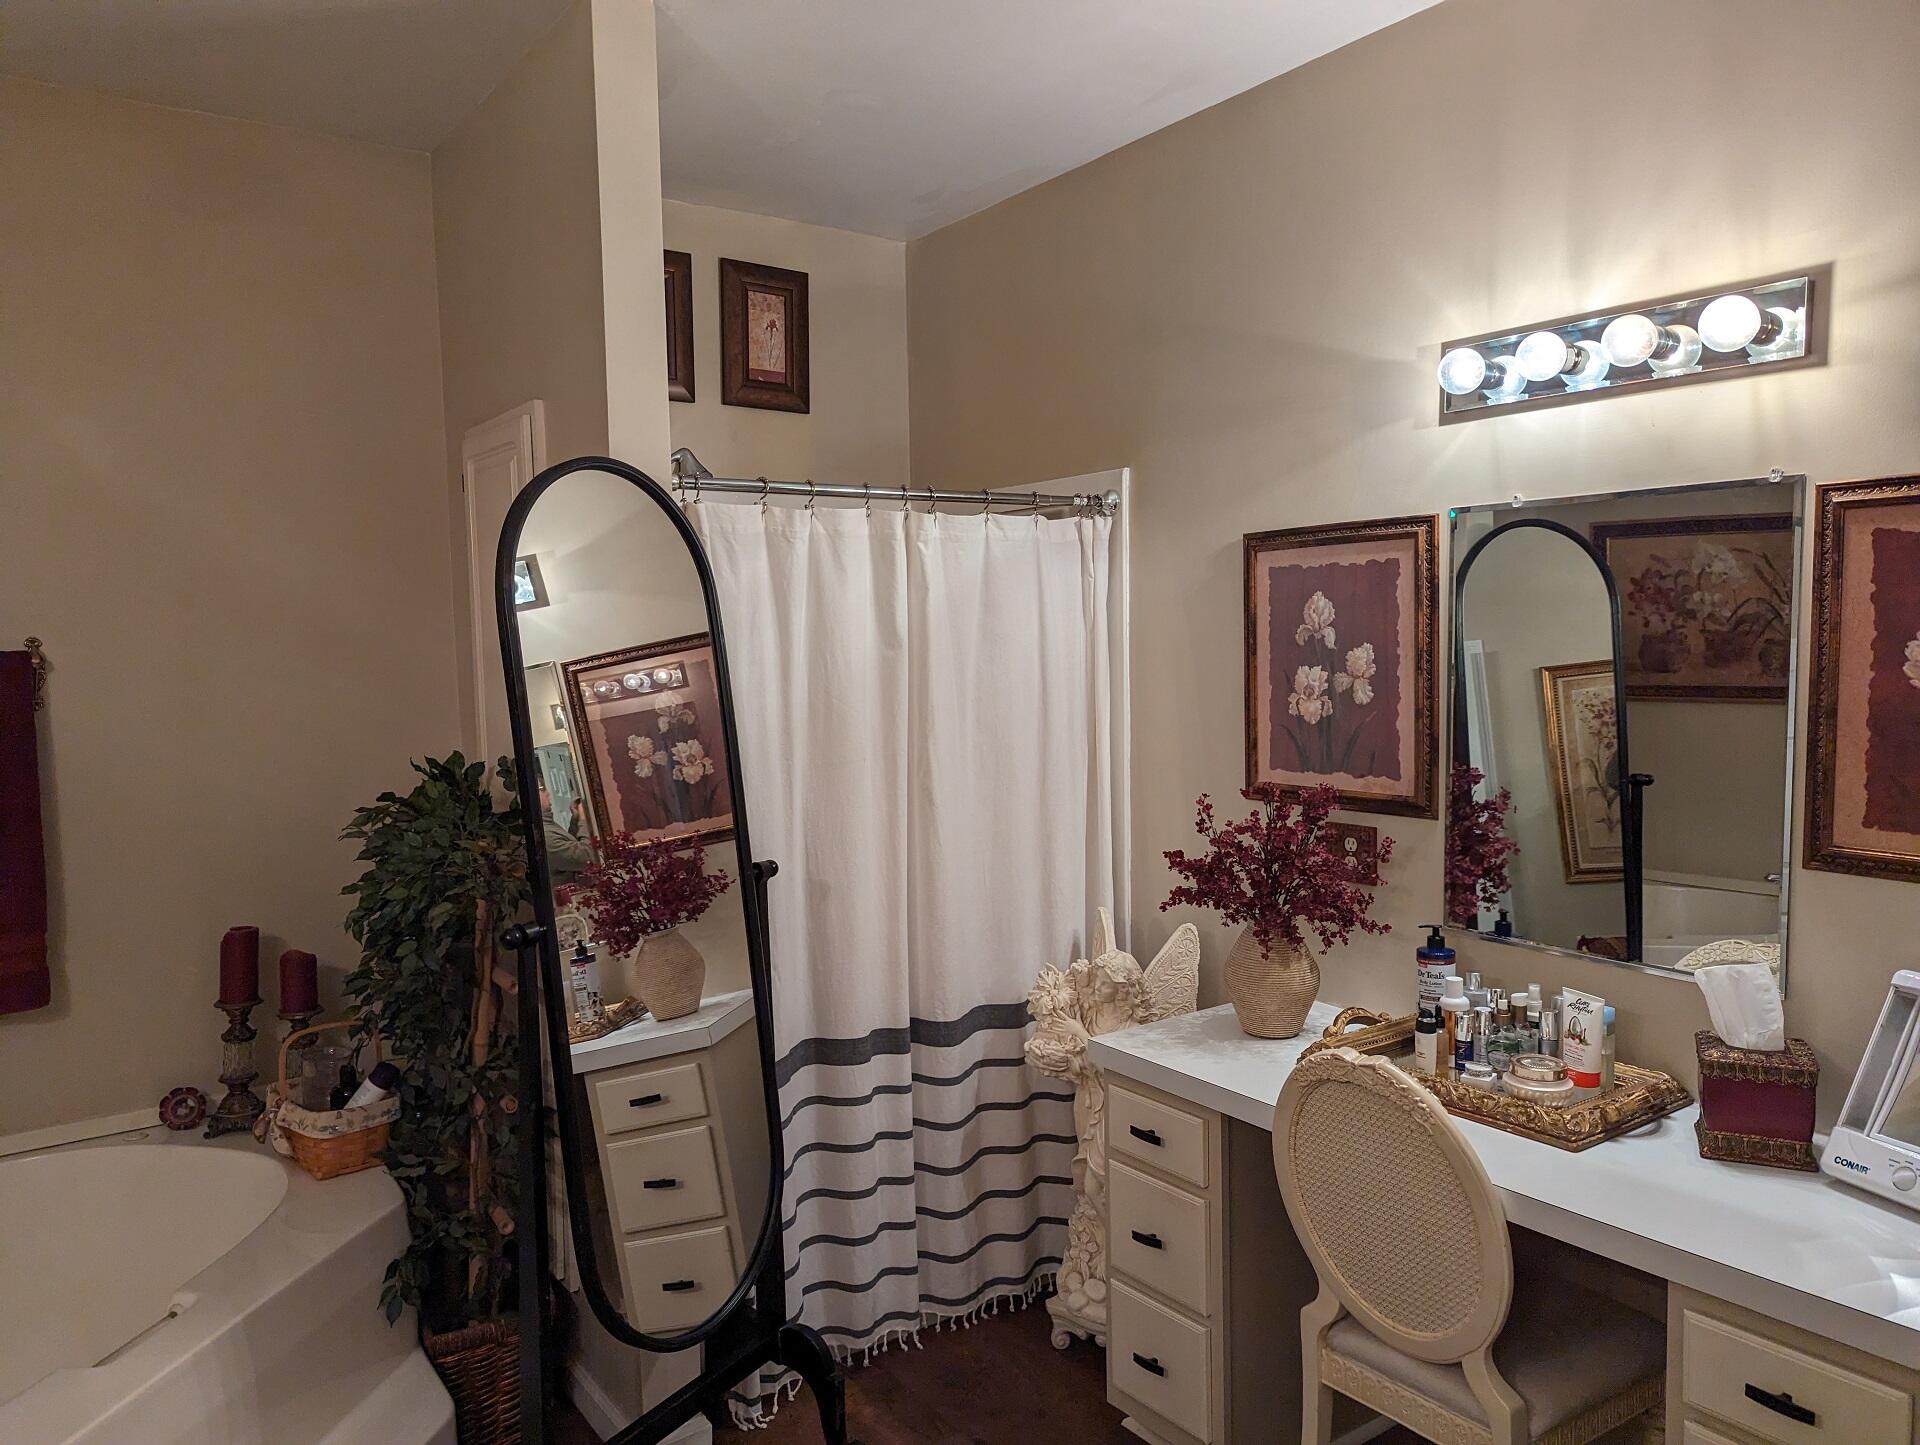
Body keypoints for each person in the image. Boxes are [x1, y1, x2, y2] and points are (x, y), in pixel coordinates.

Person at [537, 780, 594, 882]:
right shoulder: (545, 838)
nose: (547, 793)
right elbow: (587, 858)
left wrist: (575, 819)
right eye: (542, 789)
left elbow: (569, 846)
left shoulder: (545, 825)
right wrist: (583, 819)